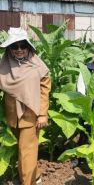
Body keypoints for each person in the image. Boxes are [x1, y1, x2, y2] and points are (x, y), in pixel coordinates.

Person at [0, 27, 51, 185]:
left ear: (28, 47)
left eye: (23, 45)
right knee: (25, 151)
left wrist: (43, 113)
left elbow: (45, 89)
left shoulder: (37, 65)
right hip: (12, 116)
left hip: (31, 115)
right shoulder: (5, 64)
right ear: (10, 48)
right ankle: (35, 177)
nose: (19, 50)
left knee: (26, 152)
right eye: (15, 46)